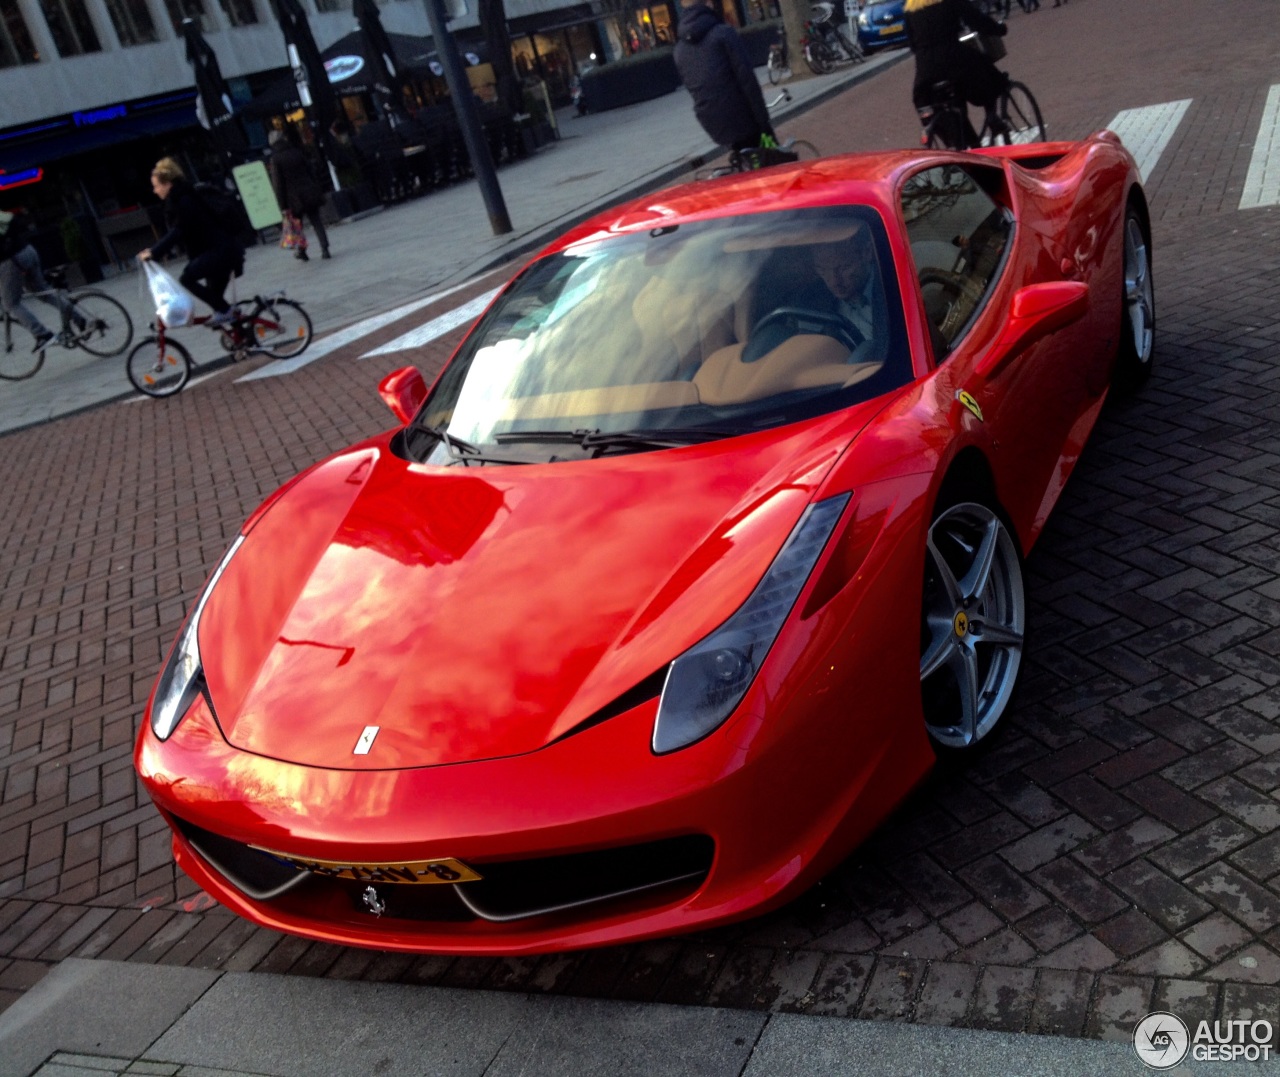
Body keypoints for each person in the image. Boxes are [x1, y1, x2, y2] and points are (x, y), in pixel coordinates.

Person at [140, 158, 244, 326]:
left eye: (157, 186)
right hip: (221, 250)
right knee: (215, 300)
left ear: (168, 184)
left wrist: (154, 252)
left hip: (221, 252)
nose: (155, 190)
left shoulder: (184, 201)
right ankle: (242, 340)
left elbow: (178, 231)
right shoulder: (184, 196)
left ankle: (227, 313)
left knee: (187, 279)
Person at [673, 0, 777, 154]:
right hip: (741, 117)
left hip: (712, 123)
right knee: (771, 161)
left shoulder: (679, 50)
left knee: (743, 160)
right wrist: (763, 121)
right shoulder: (724, 34)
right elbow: (747, 79)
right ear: (708, 4)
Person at [904, 0, 1009, 141]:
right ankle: (992, 117)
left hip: (926, 70)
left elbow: (912, 44)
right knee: (988, 72)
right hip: (953, 58)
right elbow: (976, 20)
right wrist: (999, 29)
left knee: (949, 107)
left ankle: (969, 146)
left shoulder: (910, 8)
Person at [0, 207, 87, 350]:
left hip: (12, 261)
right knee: (43, 292)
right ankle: (79, 319)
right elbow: (16, 222)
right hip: (28, 250)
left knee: (11, 303)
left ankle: (42, 335)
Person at [268, 129, 330, 261]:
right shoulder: (296, 152)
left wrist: (282, 204)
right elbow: (310, 170)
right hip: (309, 191)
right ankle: (325, 249)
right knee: (316, 221)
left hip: (293, 198)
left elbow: (278, 184)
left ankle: (302, 251)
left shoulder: (276, 159)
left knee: (297, 225)